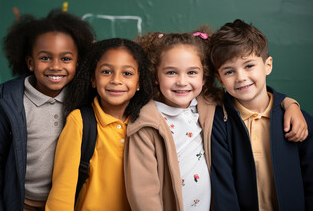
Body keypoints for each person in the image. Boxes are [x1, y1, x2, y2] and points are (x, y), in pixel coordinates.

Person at [124, 28, 309, 211]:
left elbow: (257, 97)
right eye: (171, 72)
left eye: (192, 73)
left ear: (205, 77)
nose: (182, 81)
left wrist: (290, 104)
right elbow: (143, 191)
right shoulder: (146, 122)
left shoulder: (209, 105)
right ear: (155, 76)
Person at [0, 8, 95, 211]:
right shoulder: (9, 106)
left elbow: (118, 74)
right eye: (45, 58)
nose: (56, 66)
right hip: (22, 203)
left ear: (78, 62)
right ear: (30, 62)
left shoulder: (84, 102)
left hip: (68, 203)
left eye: (66, 59)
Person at [210, 19, 313, 211]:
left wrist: (290, 104)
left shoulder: (298, 120)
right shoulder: (217, 123)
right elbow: (224, 189)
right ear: (220, 80)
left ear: (268, 65)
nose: (241, 77)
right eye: (229, 71)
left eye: (249, 66)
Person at [45, 38, 153, 211]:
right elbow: (62, 191)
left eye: (127, 73)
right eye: (106, 72)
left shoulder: (148, 123)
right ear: (93, 80)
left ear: (139, 82)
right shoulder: (79, 121)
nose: (116, 80)